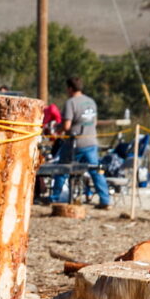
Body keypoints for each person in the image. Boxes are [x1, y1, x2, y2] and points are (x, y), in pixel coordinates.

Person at [53, 76, 110, 208]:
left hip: (75, 143)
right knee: (96, 170)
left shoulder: (71, 102)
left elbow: (67, 126)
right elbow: (94, 122)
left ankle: (54, 197)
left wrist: (57, 129)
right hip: (91, 141)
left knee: (62, 168)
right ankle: (105, 200)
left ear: (70, 88)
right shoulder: (91, 102)